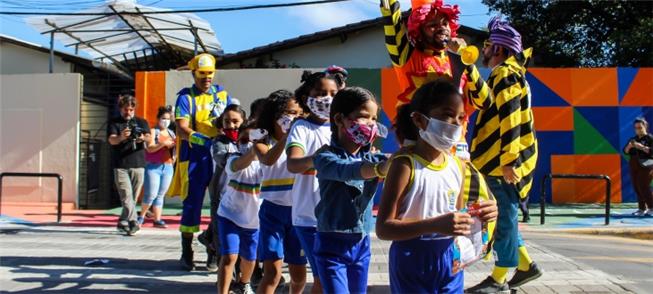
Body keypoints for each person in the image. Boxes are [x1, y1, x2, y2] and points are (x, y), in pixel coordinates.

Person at [376, 80, 497, 293]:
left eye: (460, 117)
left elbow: (457, 216)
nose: (455, 124)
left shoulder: (458, 165)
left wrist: (482, 214)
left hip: (450, 257)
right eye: (446, 115)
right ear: (420, 120)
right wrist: (433, 225)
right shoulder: (404, 165)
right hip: (411, 258)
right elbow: (384, 228)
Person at [466, 17, 541, 293]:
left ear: (498, 48)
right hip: (499, 160)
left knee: (504, 217)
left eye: (486, 45)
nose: (483, 50)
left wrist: (510, 160)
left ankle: (499, 279)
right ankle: (525, 266)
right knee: (503, 216)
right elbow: (486, 102)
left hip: (502, 162)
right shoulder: (506, 72)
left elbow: (511, 119)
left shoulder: (506, 73)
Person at [380, 0, 491, 157]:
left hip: (457, 151)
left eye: (445, 23)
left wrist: (467, 62)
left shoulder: (458, 60)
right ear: (419, 30)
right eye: (432, 25)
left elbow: (485, 101)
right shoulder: (407, 56)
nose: (442, 28)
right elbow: (392, 21)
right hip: (420, 148)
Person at [312, 87, 390, 293]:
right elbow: (347, 171)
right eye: (364, 117)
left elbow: (392, 163)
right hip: (331, 244)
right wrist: (379, 169)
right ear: (339, 119)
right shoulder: (324, 157)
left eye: (374, 119)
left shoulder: (374, 157)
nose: (371, 124)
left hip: (361, 243)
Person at [166, 53, 232, 271]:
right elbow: (181, 128)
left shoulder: (222, 94)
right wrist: (202, 139)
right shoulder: (185, 97)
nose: (207, 78)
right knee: (192, 204)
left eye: (210, 73)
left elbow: (232, 118)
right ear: (194, 73)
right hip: (194, 157)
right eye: (202, 74)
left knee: (222, 203)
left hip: (220, 154)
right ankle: (187, 251)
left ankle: (212, 245)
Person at [285, 70, 340, 293]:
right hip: (308, 216)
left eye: (333, 93)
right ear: (307, 96)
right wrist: (320, 158)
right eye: (320, 93)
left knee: (328, 277)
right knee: (321, 278)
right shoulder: (301, 127)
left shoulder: (342, 128)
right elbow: (294, 163)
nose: (327, 98)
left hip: (337, 217)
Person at [253, 90, 307, 294]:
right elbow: (267, 159)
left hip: (299, 212)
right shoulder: (260, 136)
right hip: (272, 212)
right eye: (290, 112)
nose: (295, 117)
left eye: (299, 113)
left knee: (299, 275)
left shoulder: (304, 135)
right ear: (275, 114)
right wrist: (287, 137)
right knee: (272, 274)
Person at [216, 121, 262, 294]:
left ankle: (243, 283)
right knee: (229, 256)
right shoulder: (233, 159)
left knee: (250, 259)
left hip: (253, 221)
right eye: (245, 139)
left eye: (253, 140)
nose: (249, 143)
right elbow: (240, 164)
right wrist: (253, 150)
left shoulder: (267, 165)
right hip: (230, 215)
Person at [201, 104, 247, 272]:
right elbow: (222, 159)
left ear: (244, 121)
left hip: (244, 196)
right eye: (227, 121)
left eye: (236, 121)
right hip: (221, 195)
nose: (231, 125)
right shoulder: (219, 142)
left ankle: (207, 239)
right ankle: (224, 275)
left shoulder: (249, 141)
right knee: (222, 238)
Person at [108, 94, 150, 236]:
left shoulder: (141, 122)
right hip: (120, 165)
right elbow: (111, 140)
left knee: (132, 198)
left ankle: (122, 221)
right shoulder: (114, 123)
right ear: (121, 109)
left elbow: (149, 138)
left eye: (131, 109)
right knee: (126, 195)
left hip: (138, 164)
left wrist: (142, 137)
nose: (129, 112)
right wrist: (121, 137)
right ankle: (134, 222)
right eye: (126, 109)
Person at [139, 106, 176, 228]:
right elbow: (149, 148)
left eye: (168, 118)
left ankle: (157, 219)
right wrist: (162, 144)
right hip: (154, 166)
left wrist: (174, 157)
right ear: (158, 119)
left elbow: (175, 148)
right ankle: (141, 216)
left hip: (168, 166)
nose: (166, 121)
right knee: (151, 194)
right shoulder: (153, 132)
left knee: (160, 194)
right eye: (163, 118)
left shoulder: (171, 133)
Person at [623, 117, 653, 216]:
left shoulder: (650, 138)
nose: (638, 130)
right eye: (636, 128)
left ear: (645, 127)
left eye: (640, 127)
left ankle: (652, 207)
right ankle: (641, 208)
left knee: (643, 186)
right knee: (636, 187)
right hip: (634, 164)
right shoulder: (633, 139)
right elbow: (625, 151)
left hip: (647, 165)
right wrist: (629, 146)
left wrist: (642, 147)